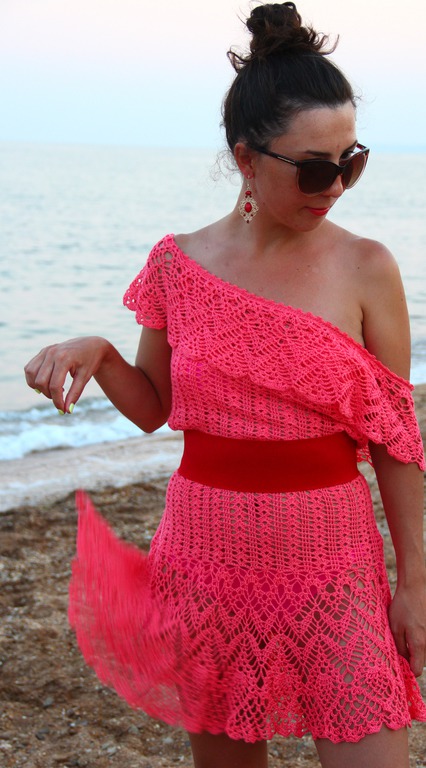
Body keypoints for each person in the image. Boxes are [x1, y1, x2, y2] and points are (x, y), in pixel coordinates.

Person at [24, 3, 426, 767]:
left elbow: (396, 440)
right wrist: (100, 353)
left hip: (333, 559)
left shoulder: (368, 267)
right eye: (314, 168)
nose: (336, 186)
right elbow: (156, 409)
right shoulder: (177, 265)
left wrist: (415, 584)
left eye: (351, 162)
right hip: (204, 556)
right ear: (247, 159)